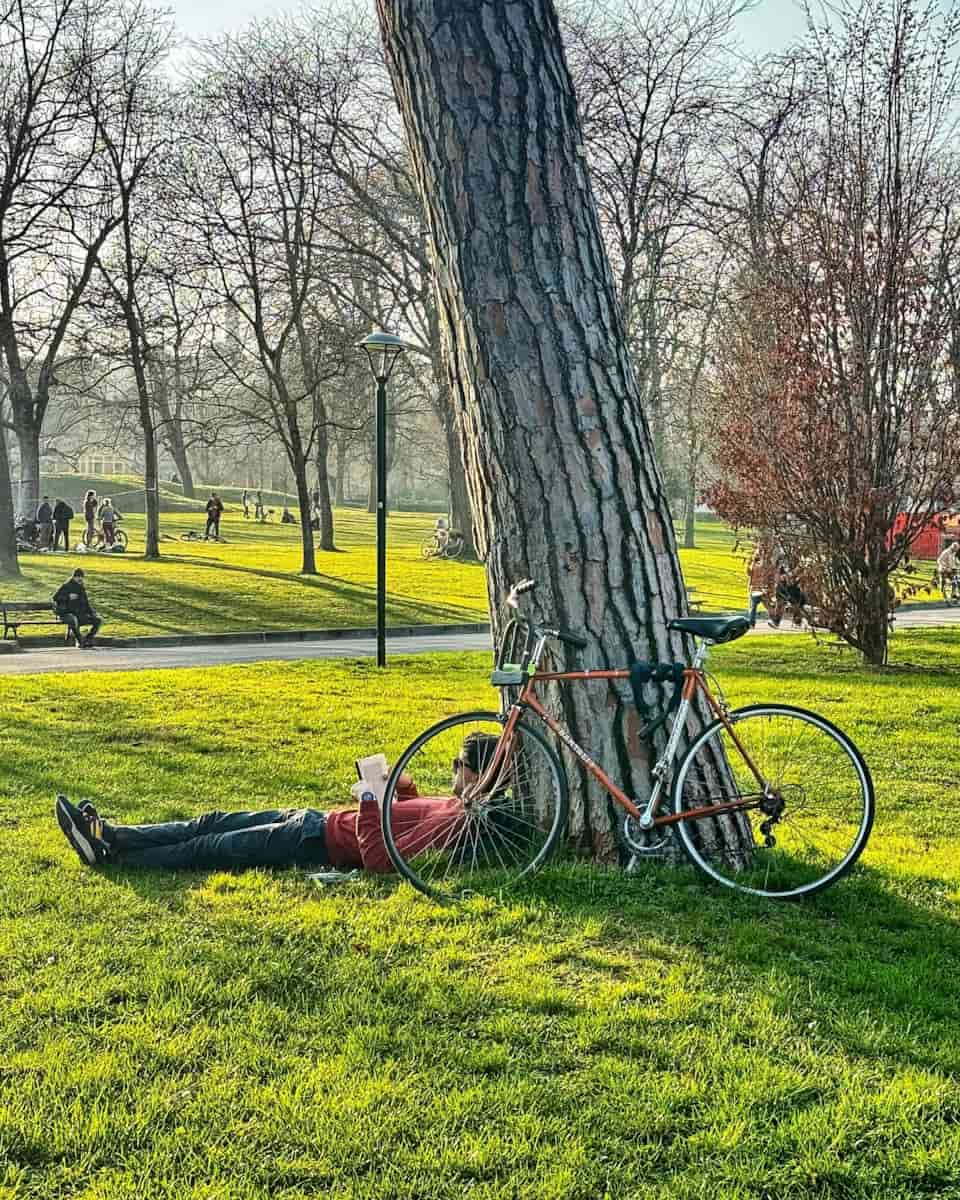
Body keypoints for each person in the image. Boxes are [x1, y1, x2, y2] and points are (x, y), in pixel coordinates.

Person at [54, 733, 500, 872]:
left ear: (478, 775)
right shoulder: (453, 806)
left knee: (209, 849)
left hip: (314, 842)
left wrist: (370, 799)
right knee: (210, 822)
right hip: (312, 819)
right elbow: (400, 821)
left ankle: (113, 859)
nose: (452, 769)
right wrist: (402, 789)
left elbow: (382, 857)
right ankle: (110, 834)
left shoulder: (454, 825)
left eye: (458, 763)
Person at [52, 567, 103, 648]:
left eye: (81, 577)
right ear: (74, 577)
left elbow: (86, 603)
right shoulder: (66, 586)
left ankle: (88, 640)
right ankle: (81, 642)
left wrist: (92, 613)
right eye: (78, 577)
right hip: (67, 614)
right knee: (73, 619)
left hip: (80, 614)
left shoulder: (81, 588)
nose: (80, 579)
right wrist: (68, 597)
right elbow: (55, 597)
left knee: (98, 620)